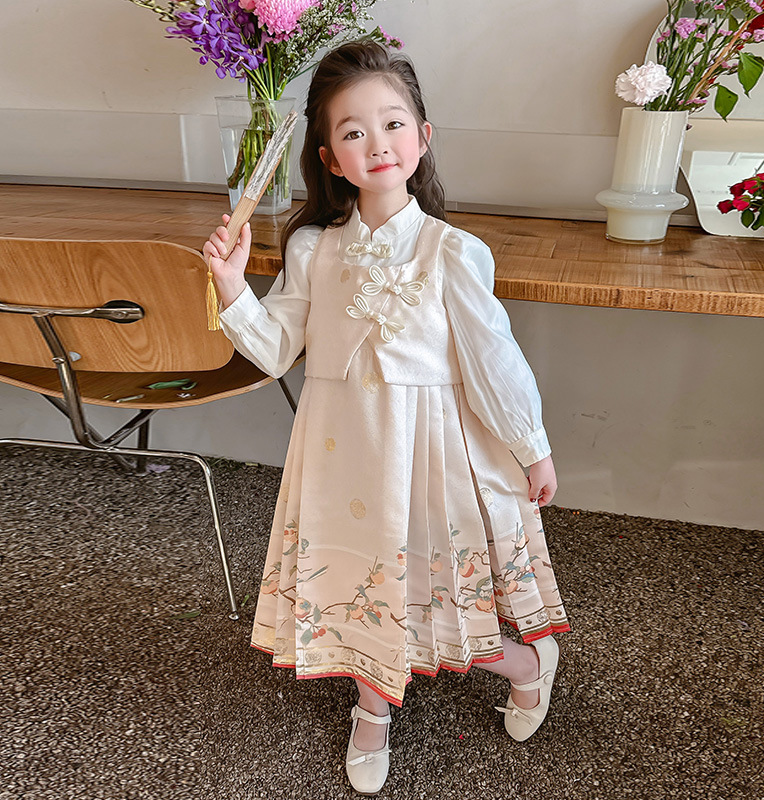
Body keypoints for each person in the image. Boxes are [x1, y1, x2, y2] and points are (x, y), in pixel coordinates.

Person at [203, 40, 569, 795]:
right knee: (359, 585)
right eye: (353, 131)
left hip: (430, 453)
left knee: (441, 600)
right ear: (329, 158)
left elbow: (493, 359)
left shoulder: (452, 251)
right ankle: (371, 712)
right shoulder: (313, 249)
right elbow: (275, 350)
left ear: (423, 137)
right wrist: (232, 284)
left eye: (393, 123)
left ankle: (527, 661)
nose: (377, 143)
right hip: (342, 453)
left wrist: (531, 446)